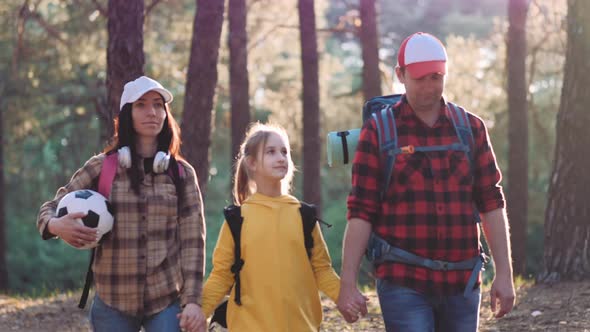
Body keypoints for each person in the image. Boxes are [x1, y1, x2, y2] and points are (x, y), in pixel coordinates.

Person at [338, 32, 516, 331]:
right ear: (400, 75)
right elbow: (361, 211)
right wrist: (348, 283)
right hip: (402, 281)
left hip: (462, 281)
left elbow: (491, 203)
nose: (429, 86)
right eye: (420, 78)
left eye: (436, 77)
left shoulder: (471, 128)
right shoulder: (378, 132)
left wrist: (505, 274)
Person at [37, 76, 207, 332]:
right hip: (112, 303)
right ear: (128, 113)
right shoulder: (101, 167)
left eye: (158, 104)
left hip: (165, 301)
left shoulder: (182, 173)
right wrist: (55, 225)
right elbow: (50, 207)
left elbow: (193, 241)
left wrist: (192, 301)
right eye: (141, 104)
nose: (152, 112)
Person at [200, 123, 342, 331]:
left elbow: (322, 269)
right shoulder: (237, 219)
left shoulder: (303, 215)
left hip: (301, 326)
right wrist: (198, 311)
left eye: (284, 152)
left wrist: (344, 297)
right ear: (252, 163)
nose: (281, 157)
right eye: (271, 152)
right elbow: (222, 275)